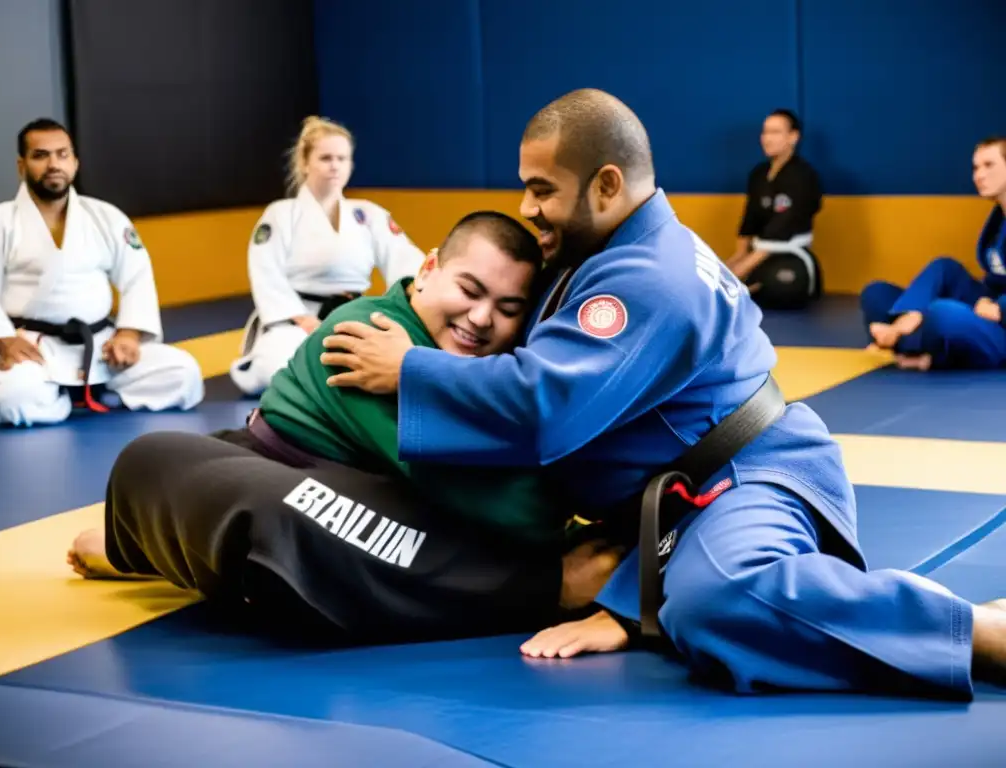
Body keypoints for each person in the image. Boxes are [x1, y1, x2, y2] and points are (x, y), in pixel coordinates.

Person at [320, 88, 1006, 701]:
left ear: (607, 184)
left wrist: (408, 370)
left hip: (747, 479)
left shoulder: (649, 276)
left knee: (717, 601)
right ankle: (648, 596)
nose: (528, 208)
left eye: (542, 189)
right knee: (675, 600)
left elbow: (541, 408)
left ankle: (973, 630)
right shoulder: (612, 252)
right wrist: (629, 601)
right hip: (680, 500)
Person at [68, 211, 619, 644]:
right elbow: (472, 490)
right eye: (469, 290)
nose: (481, 318)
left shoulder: (485, 367)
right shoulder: (366, 333)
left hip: (369, 514)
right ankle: (550, 583)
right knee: (160, 461)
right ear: (428, 270)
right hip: (285, 483)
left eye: (507, 308)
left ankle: (188, 561)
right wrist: (563, 522)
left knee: (347, 520)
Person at [0, 118, 204, 428]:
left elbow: (137, 276)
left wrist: (129, 332)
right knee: (13, 401)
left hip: (101, 346)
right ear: (22, 165)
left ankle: (83, 390)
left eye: (62, 154)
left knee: (184, 375)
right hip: (34, 347)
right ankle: (64, 392)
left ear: (75, 162)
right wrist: (2, 340)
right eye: (40, 155)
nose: (53, 164)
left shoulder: (106, 216)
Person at [229, 117, 426, 396]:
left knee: (396, 358)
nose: (335, 165)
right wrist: (305, 321)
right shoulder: (281, 214)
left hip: (352, 316)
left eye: (342, 158)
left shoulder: (368, 214)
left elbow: (404, 260)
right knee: (281, 363)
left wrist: (412, 298)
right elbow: (265, 273)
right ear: (305, 162)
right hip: (295, 322)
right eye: (325, 158)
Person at [860, 136, 1006, 371]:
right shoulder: (998, 220)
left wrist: (1000, 308)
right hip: (987, 307)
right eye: (976, 167)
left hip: (1001, 322)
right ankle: (910, 326)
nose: (978, 175)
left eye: (989, 165)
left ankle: (913, 341)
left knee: (942, 312)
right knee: (877, 294)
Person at [726, 109, 823, 310]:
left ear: (793, 137)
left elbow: (784, 225)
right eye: (765, 132)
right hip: (758, 252)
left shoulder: (804, 177)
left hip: (789, 253)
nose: (767, 138)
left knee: (781, 284)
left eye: (775, 132)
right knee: (727, 277)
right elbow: (749, 220)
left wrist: (744, 268)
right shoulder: (758, 174)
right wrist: (736, 260)